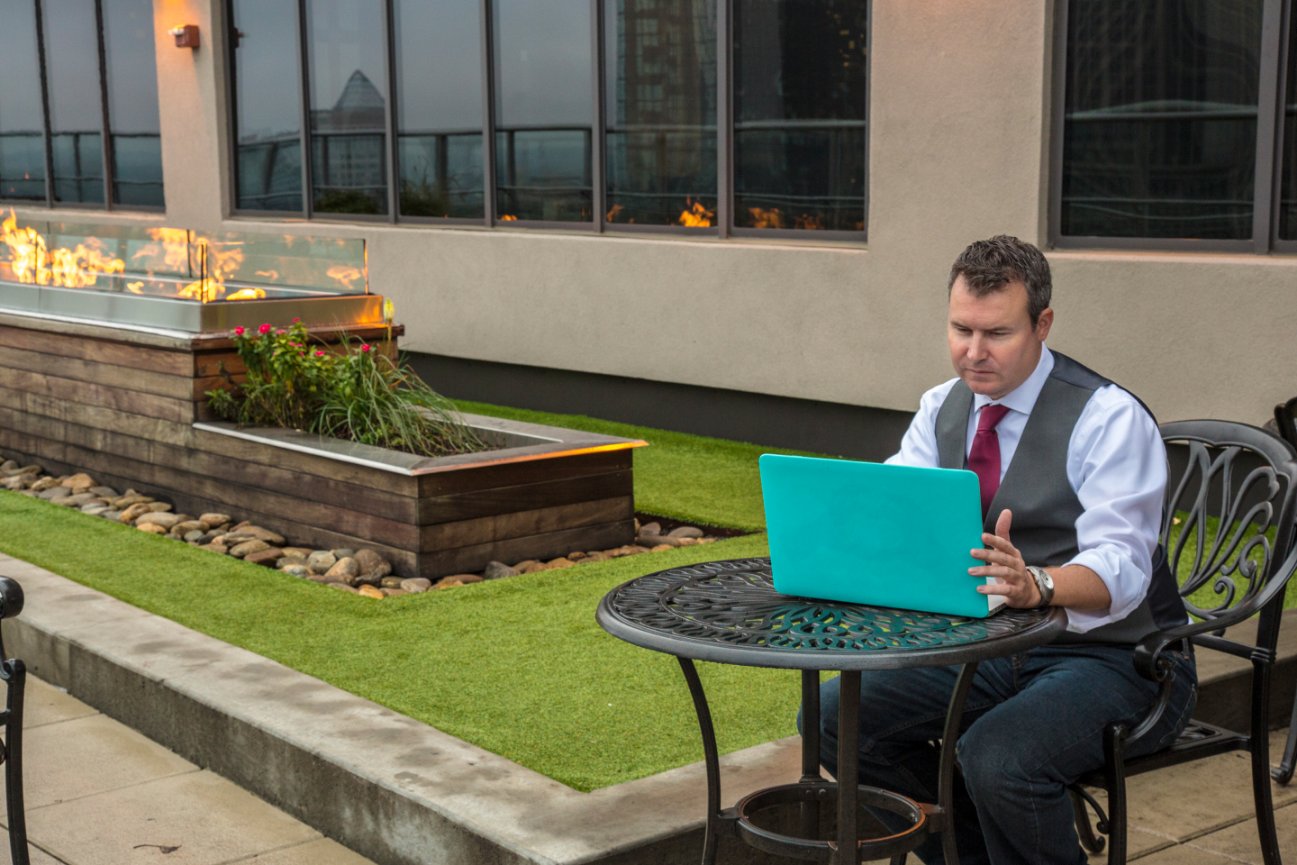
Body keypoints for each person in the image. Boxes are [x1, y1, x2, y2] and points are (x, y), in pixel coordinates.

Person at [809, 235, 1197, 865]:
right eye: (961, 329)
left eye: (997, 333)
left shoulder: (1108, 418)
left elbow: (1124, 566)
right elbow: (898, 506)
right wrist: (846, 531)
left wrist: (1037, 585)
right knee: (833, 719)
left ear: (1042, 324)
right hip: (986, 649)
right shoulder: (942, 407)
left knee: (998, 756)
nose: (974, 352)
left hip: (1119, 659)